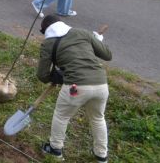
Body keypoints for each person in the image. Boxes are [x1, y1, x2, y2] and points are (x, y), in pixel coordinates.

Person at [36, 15, 112, 162]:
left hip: (76, 86)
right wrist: (96, 41)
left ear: (45, 30)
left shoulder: (48, 43)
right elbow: (107, 55)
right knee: (97, 118)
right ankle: (101, 155)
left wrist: (56, 77)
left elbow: (42, 74)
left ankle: (55, 149)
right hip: (101, 84)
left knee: (62, 115)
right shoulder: (82, 33)